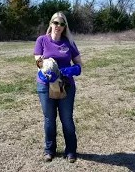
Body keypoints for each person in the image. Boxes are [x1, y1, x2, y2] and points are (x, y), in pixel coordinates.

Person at [33, 11, 83, 163]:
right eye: (56, 23)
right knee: (49, 119)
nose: (58, 26)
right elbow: (38, 62)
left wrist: (73, 70)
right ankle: (50, 150)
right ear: (51, 23)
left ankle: (71, 151)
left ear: (65, 26)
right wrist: (45, 72)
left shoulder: (69, 43)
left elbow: (79, 64)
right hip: (46, 86)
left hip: (66, 86)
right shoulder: (42, 40)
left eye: (62, 24)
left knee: (67, 119)